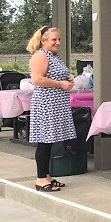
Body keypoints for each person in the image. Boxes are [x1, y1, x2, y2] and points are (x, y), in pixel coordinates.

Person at [27, 25, 76, 192]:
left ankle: (46, 176)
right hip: (46, 104)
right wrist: (60, 84)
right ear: (43, 40)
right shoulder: (41, 56)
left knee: (50, 141)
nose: (58, 42)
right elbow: (37, 79)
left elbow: (55, 74)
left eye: (59, 39)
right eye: (54, 39)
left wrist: (68, 78)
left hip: (55, 104)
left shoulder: (53, 55)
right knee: (44, 141)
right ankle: (40, 178)